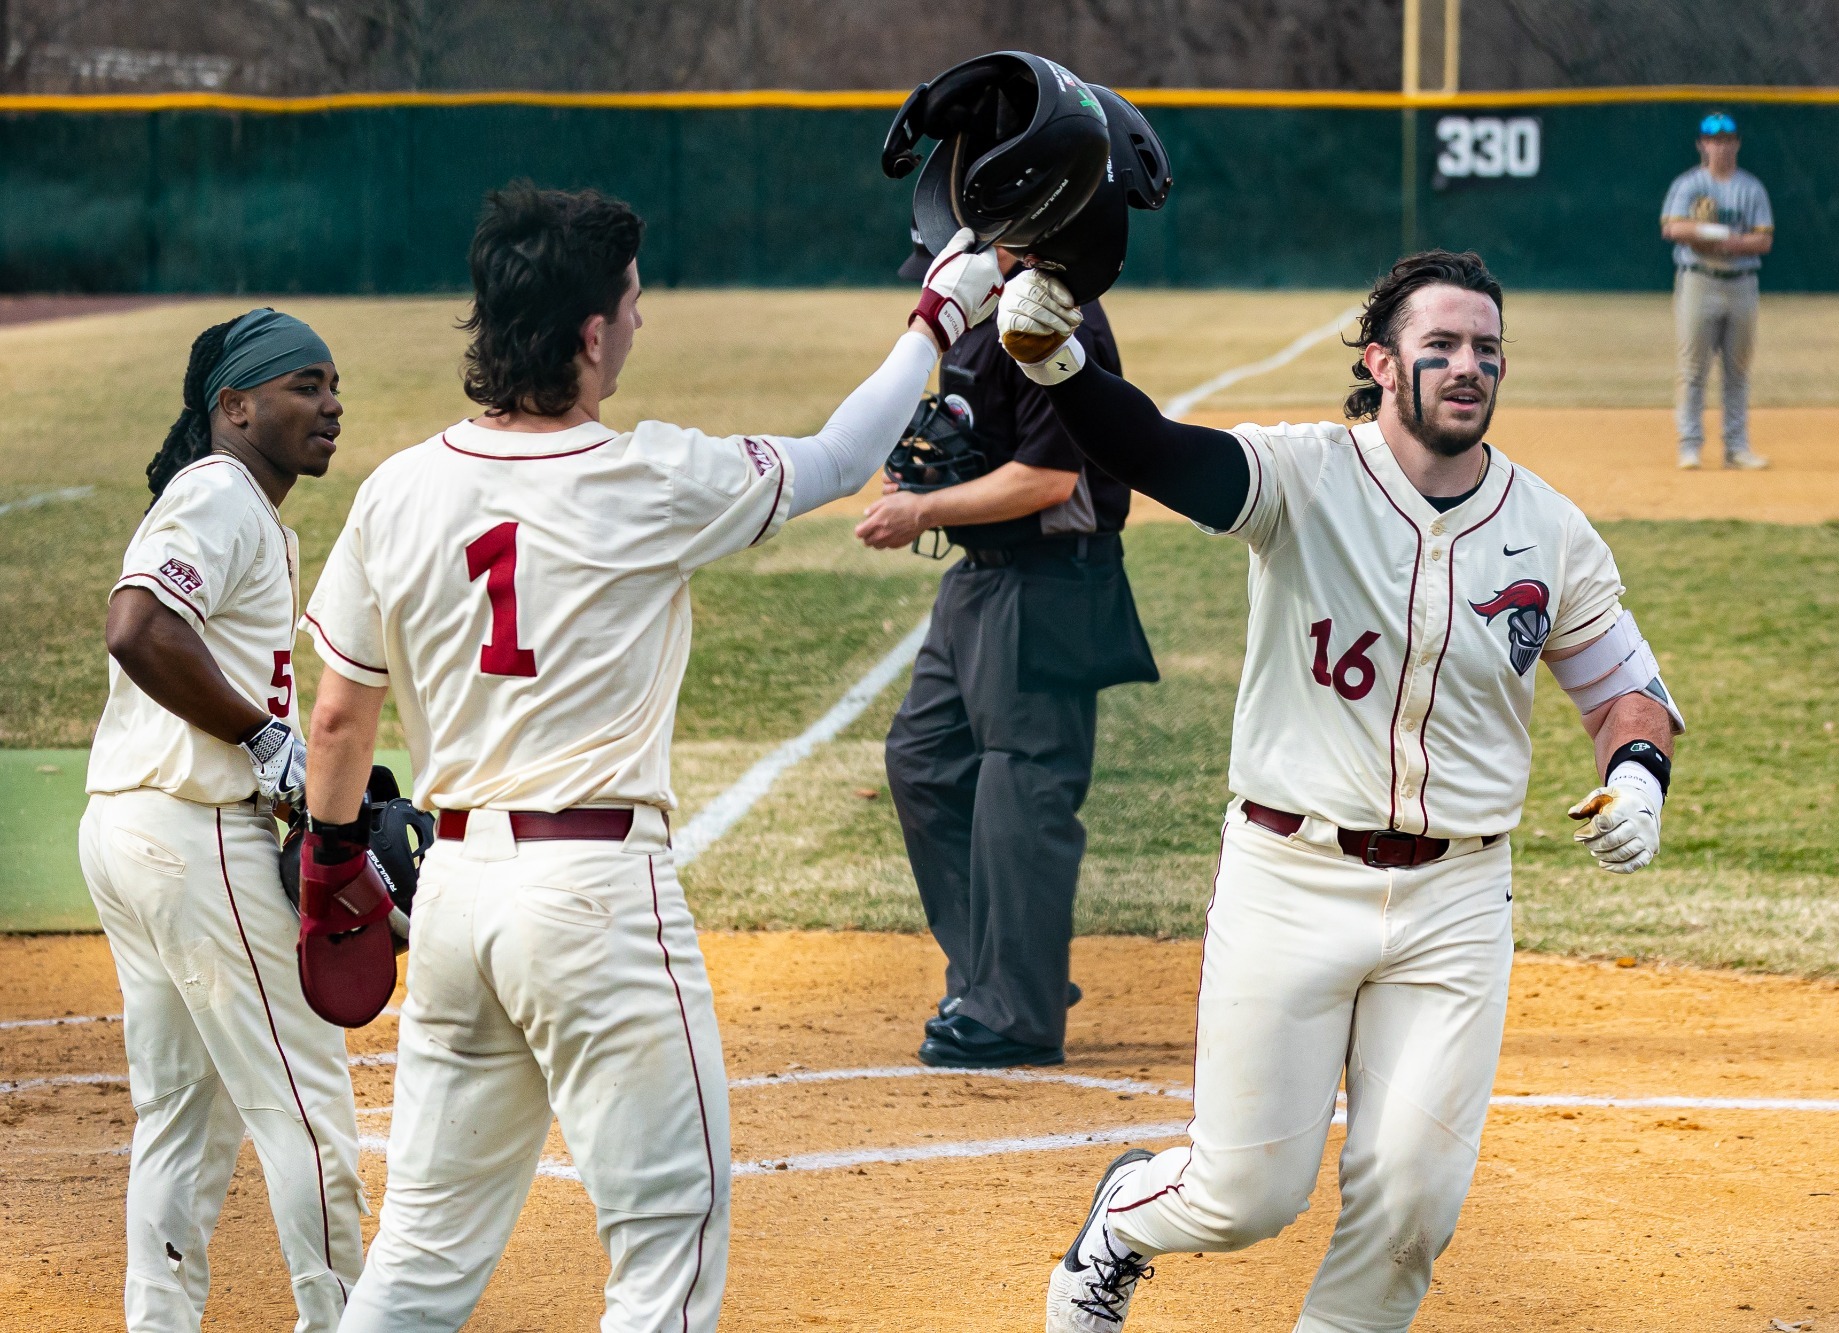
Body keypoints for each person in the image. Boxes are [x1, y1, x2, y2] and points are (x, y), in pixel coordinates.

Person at [298, 183, 1001, 1332]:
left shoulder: (397, 488)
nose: (639, 320)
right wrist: (934, 320)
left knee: (418, 1261)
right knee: (666, 1256)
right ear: (588, 335)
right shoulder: (649, 475)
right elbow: (839, 456)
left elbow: (337, 721)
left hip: (457, 898)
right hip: (593, 900)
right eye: (628, 302)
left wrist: (330, 864)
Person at [995, 251, 1685, 1333]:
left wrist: (1637, 778)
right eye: (1440, 345)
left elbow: (1628, 695)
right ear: (1380, 362)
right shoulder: (1303, 476)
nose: (1468, 366)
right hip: (1290, 876)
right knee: (1245, 1195)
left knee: (1412, 1203)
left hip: (1456, 900)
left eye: (1486, 348)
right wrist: (1060, 365)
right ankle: (1122, 1224)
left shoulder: (1548, 530)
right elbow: (1157, 451)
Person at [78, 309, 364, 1332]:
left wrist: (276, 762)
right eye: (305, 385)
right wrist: (262, 738)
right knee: (309, 1108)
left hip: (136, 829)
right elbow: (138, 627)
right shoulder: (219, 492)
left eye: (333, 385)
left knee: (184, 1114)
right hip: (193, 833)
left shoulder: (243, 508)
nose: (331, 404)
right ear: (234, 406)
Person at [858, 242, 1155, 1070]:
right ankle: (1000, 971)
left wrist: (923, 511)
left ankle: (1016, 1011)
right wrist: (934, 495)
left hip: (1049, 581)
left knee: (1020, 787)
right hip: (981, 578)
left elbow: (1048, 479)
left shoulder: (1051, 317)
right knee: (923, 761)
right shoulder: (978, 323)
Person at [1661, 110, 1774, 470]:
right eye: (1713, 140)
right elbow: (1673, 228)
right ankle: (1689, 446)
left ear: (1736, 144)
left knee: (1737, 370)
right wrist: (1715, 234)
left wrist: (1721, 240)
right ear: (1702, 145)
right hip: (1699, 280)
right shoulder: (1689, 184)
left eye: (1726, 140)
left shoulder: (1751, 188)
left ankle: (1736, 448)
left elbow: (1763, 239)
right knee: (1692, 369)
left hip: (1741, 283)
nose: (1720, 147)